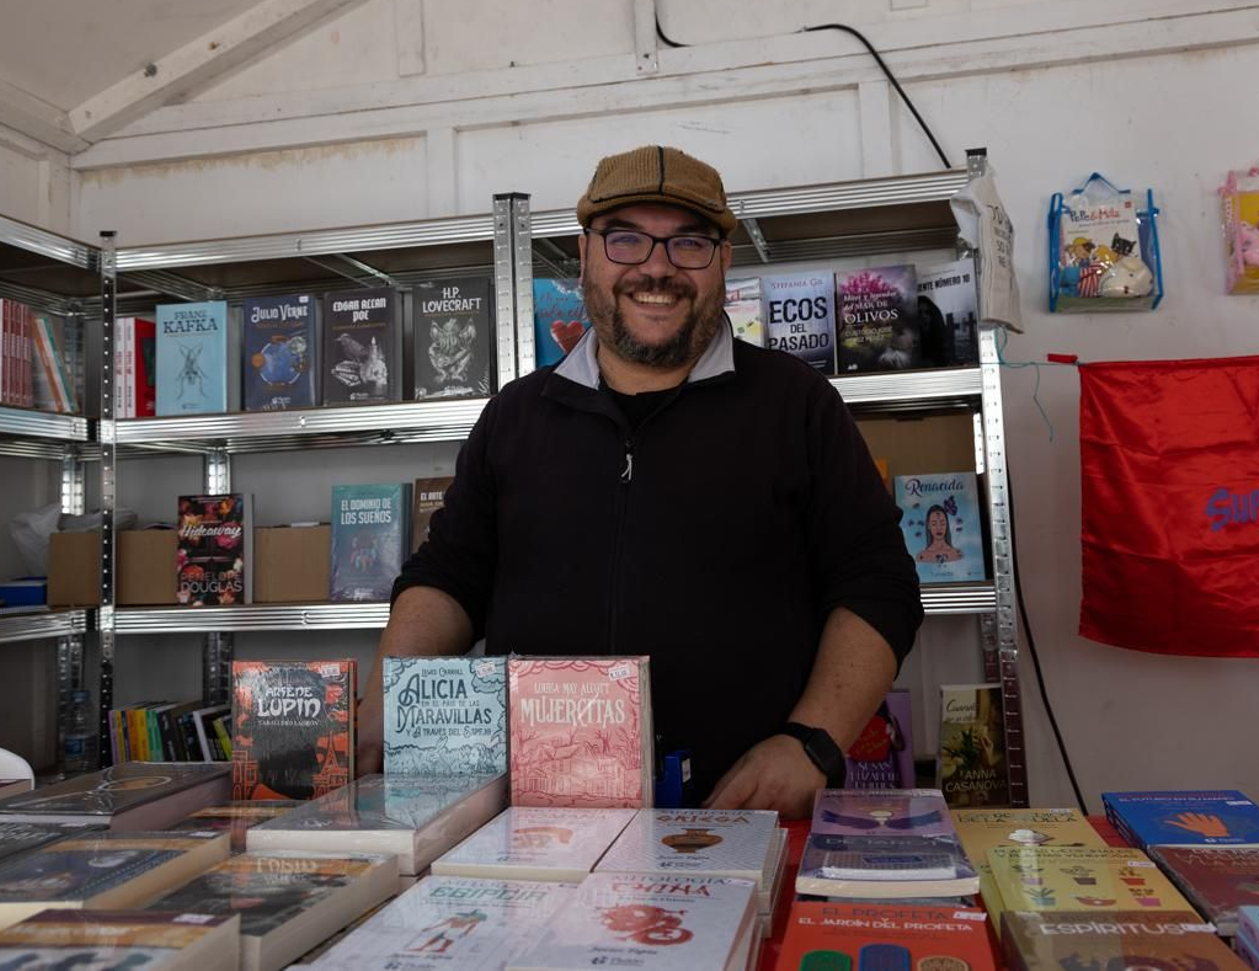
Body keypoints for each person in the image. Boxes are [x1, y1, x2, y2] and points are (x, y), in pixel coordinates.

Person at [357, 144, 923, 817]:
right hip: (537, 827)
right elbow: (450, 578)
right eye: (626, 239)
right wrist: (384, 704)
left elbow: (879, 585)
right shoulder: (513, 415)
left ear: (723, 262)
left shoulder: (797, 405)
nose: (657, 266)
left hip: (732, 820)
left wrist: (812, 742)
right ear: (585, 254)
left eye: (688, 242)